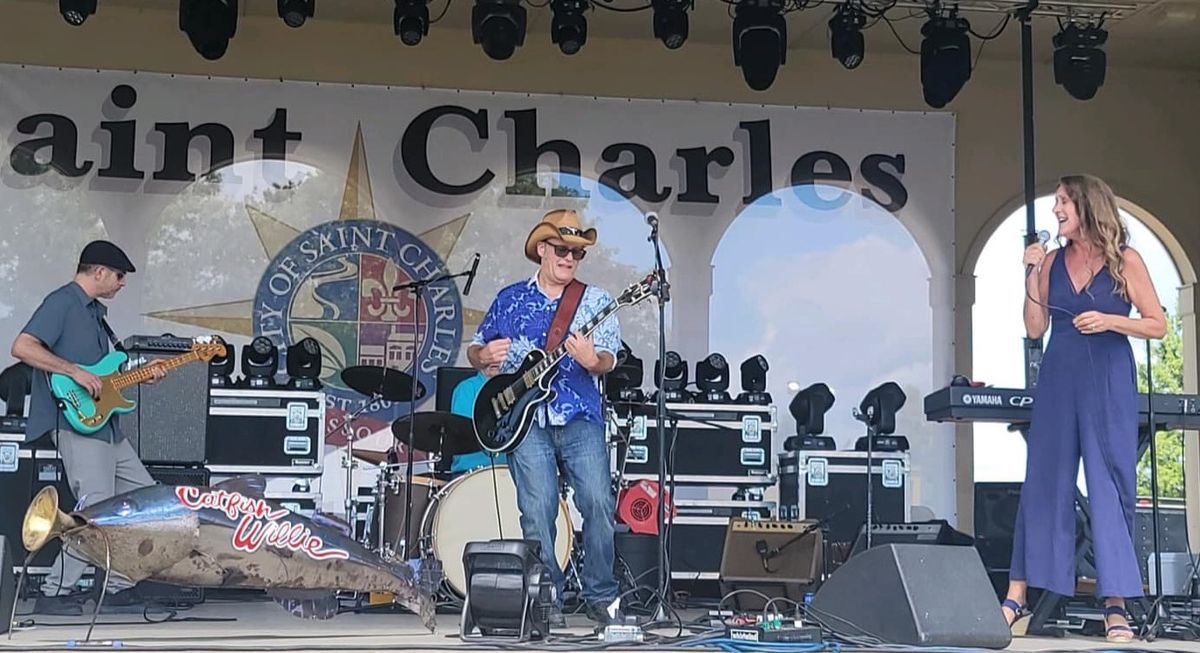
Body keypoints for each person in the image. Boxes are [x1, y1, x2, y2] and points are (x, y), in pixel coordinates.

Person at [1006, 175, 1166, 642]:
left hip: (1108, 378)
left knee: (1109, 482)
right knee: (1044, 480)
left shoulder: (1124, 260)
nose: (1055, 210)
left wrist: (1112, 320)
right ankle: (1017, 594)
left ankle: (1116, 604)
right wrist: (1030, 273)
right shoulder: (1052, 260)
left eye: (1062, 202)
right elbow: (1035, 329)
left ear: (1086, 206)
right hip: (1059, 375)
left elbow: (1157, 325)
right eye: (1055, 202)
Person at [467, 209, 621, 626]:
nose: (570, 258)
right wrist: (483, 356)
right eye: (562, 249)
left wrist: (594, 360)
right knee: (537, 510)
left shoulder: (596, 301)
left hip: (579, 416)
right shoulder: (510, 298)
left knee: (598, 503)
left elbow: (607, 358)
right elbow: (477, 348)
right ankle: (547, 596)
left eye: (578, 252)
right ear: (542, 249)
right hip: (525, 421)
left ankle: (601, 595)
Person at [10, 240, 166, 615]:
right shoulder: (62, 302)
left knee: (147, 502)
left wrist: (139, 377)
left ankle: (117, 584)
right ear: (97, 272)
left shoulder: (96, 314)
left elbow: (104, 378)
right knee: (95, 510)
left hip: (107, 427)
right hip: (76, 425)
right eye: (118, 275)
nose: (122, 282)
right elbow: (22, 347)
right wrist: (73, 370)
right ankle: (55, 591)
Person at [448, 365, 507, 473]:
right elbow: (464, 432)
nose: (494, 361)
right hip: (470, 472)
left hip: (509, 470)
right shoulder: (466, 388)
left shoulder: (515, 386)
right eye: (489, 355)